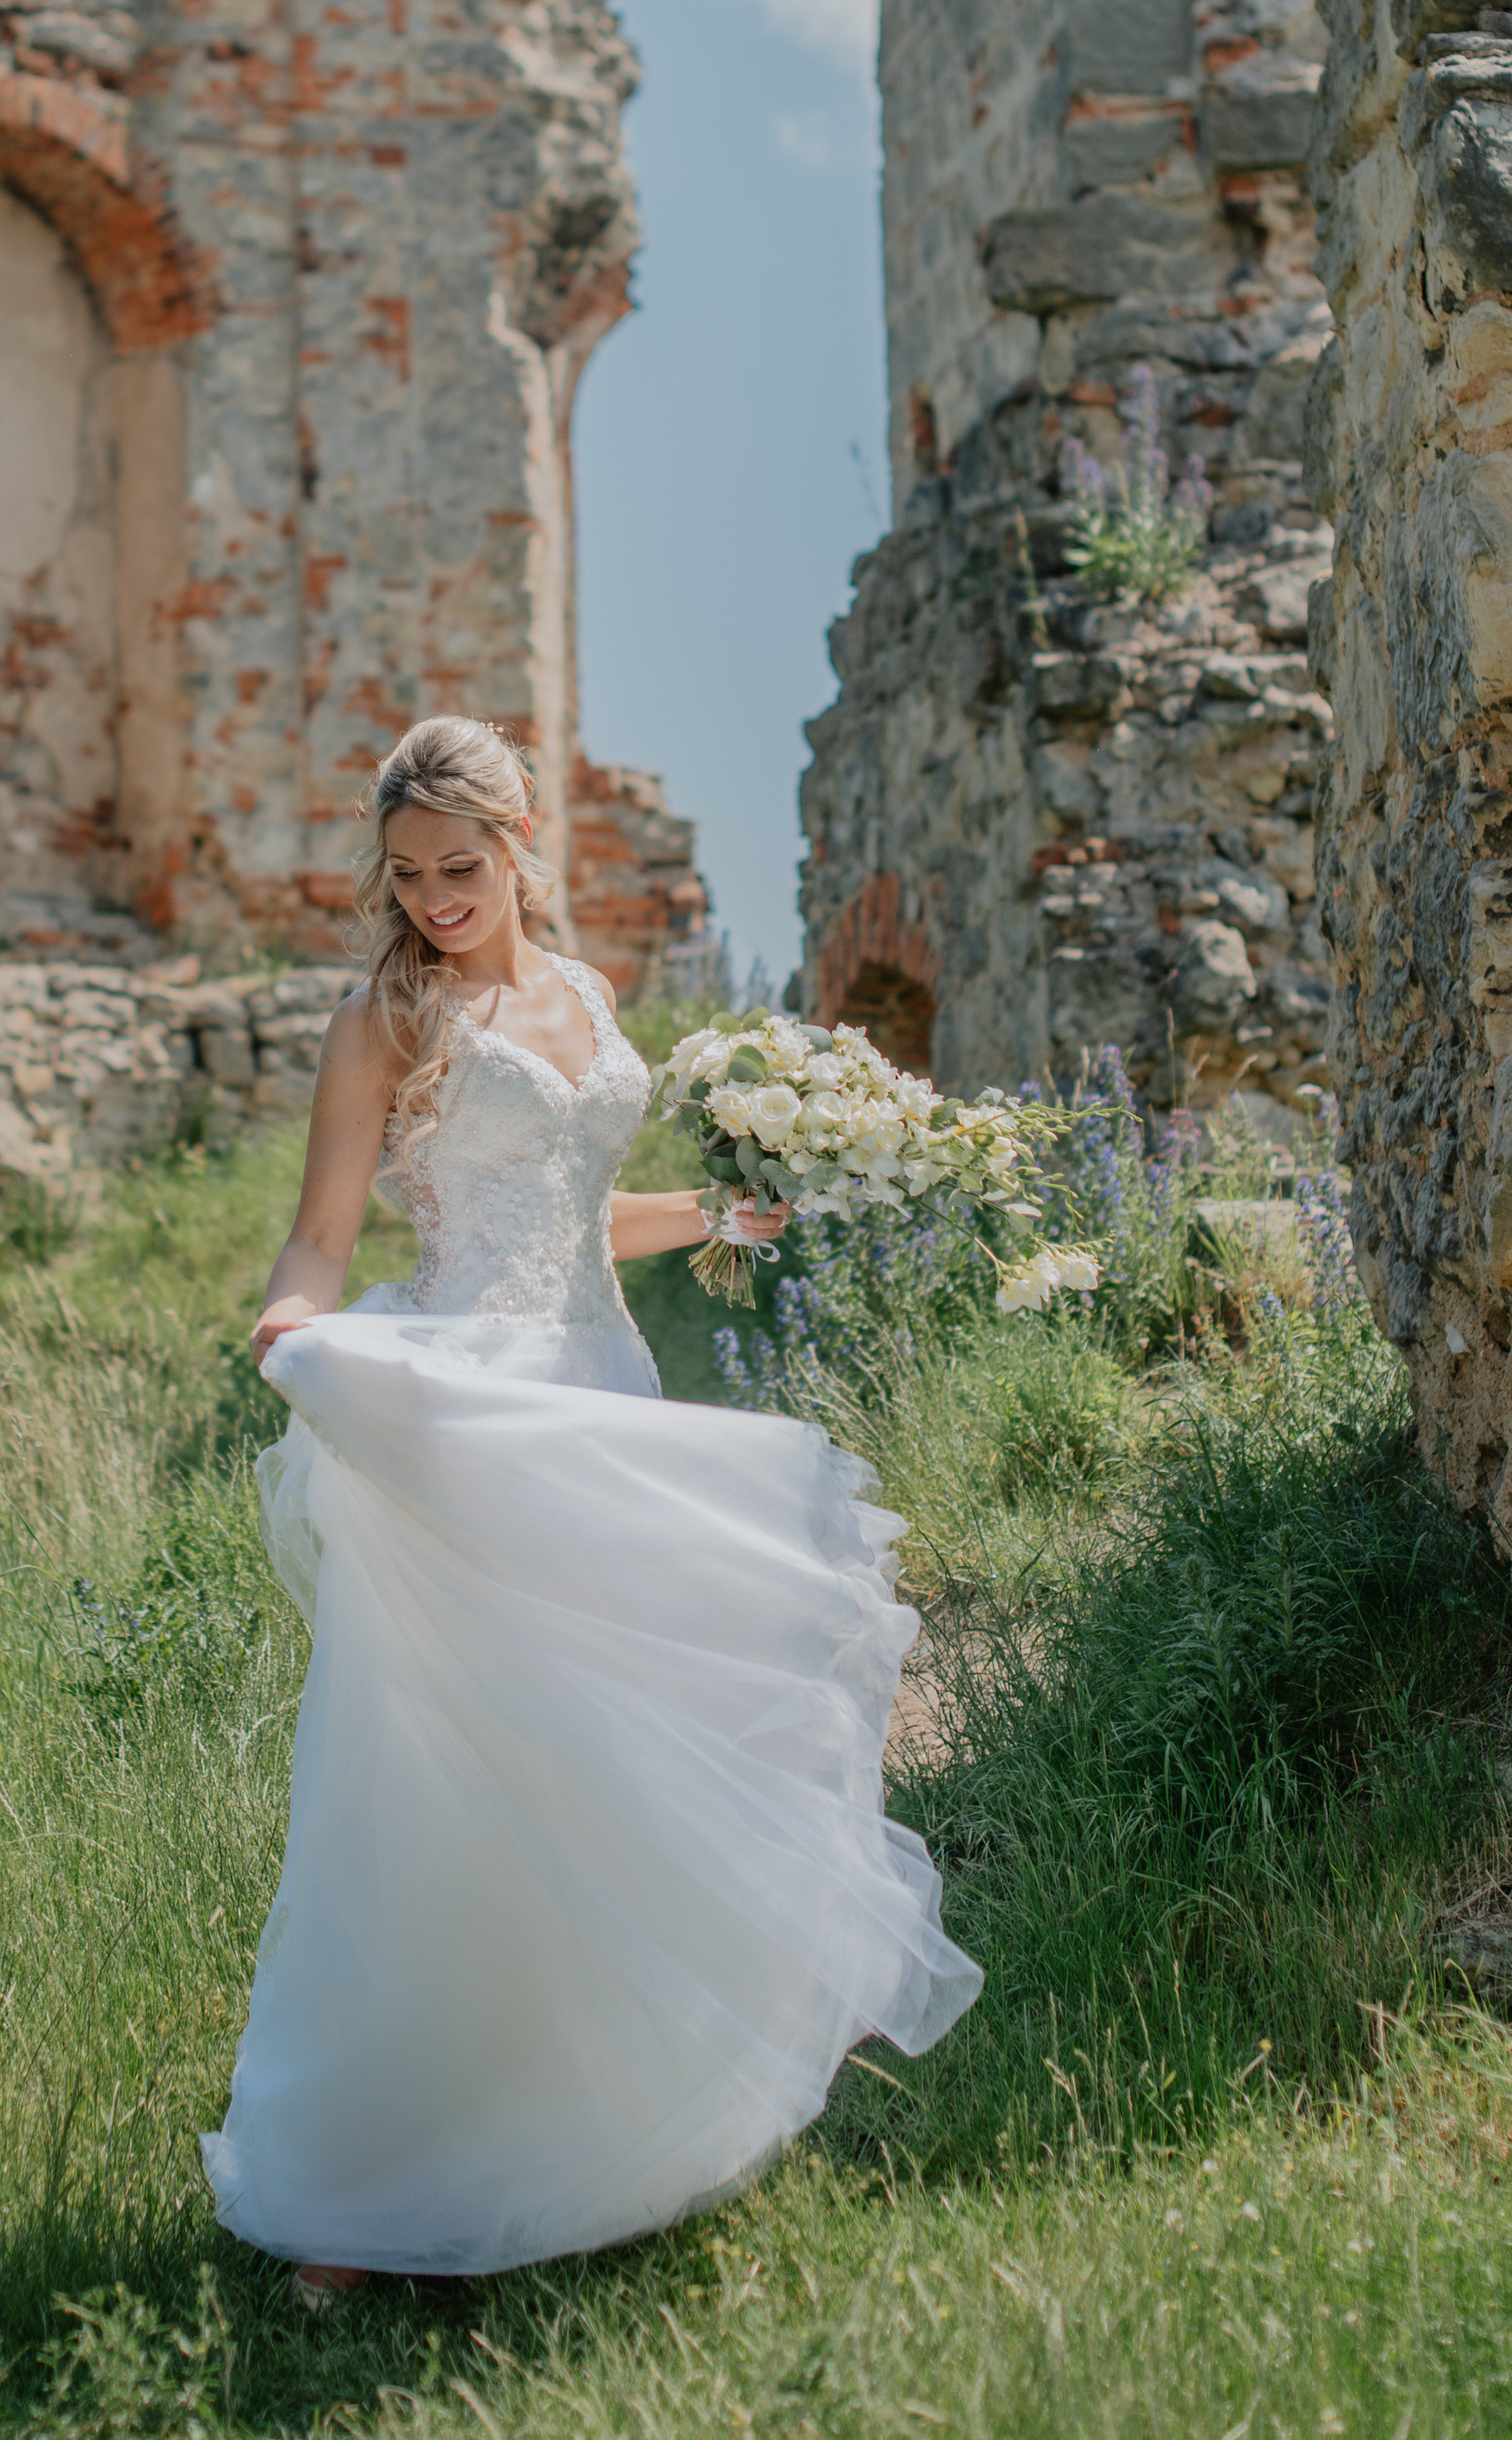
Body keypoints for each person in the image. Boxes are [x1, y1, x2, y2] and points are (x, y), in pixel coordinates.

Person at [200, 716, 979, 2302]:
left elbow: (569, 1208)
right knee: (449, 1778)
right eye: (407, 876)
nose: (434, 901)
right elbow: (325, 1231)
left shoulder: (588, 996)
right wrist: (289, 1319)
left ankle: (606, 2102)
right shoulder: (385, 1023)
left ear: (521, 845)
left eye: (460, 868)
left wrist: (715, 1213)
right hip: (474, 1406)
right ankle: (365, 2181)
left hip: (602, 1389)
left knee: (617, 1746)